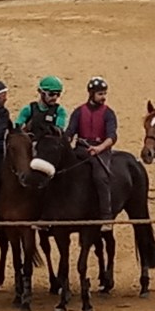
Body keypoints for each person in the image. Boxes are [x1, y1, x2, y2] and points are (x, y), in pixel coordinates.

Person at [65, 77, 118, 232]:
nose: (103, 97)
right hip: (82, 148)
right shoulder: (79, 111)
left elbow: (112, 137)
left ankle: (106, 216)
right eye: (100, 94)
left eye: (104, 93)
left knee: (101, 177)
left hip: (101, 151)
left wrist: (99, 148)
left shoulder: (108, 113)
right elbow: (70, 132)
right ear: (91, 94)